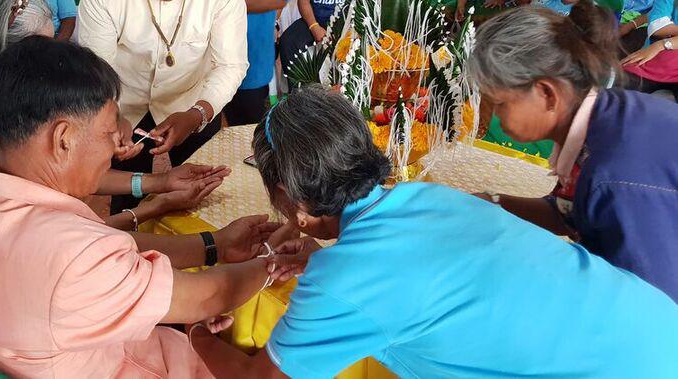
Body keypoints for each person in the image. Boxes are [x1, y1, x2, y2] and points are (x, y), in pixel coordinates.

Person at [188, 85, 678, 378]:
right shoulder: (429, 196)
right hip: (654, 329)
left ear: (290, 199)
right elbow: (421, 270)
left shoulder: (343, 281)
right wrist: (324, 259)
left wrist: (196, 336)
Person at [0, 37, 283, 377]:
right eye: (108, 132)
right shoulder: (75, 259)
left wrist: (214, 245)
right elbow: (209, 297)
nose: (117, 146)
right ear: (63, 139)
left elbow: (104, 246)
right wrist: (276, 259)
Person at [0, 0, 225, 221]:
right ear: (5, 61)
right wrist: (155, 206)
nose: (54, 63)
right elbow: (66, 235)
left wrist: (158, 183)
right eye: (41, 54)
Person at [469, 1, 678, 302]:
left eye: (498, 103)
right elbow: (574, 212)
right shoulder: (600, 119)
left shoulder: (615, 175)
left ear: (546, 94)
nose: (491, 114)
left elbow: (652, 307)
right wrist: (492, 202)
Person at [79, 0, 248, 212]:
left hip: (194, 100)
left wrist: (197, 114)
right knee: (129, 199)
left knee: (202, 195)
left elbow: (230, 64)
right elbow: (95, 65)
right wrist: (112, 115)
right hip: (123, 103)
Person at [622, 0, 678, 94]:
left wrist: (663, 44)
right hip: (654, 60)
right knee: (616, 88)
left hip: (661, 53)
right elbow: (658, 27)